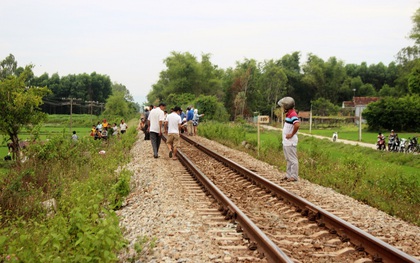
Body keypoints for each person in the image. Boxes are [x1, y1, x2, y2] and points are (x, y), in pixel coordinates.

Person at [278, 96, 300, 182]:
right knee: (288, 159)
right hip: (286, 142)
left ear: (287, 106)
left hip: (290, 142)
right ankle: (288, 175)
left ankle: (294, 176)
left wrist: (291, 134)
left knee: (293, 159)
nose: (282, 108)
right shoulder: (289, 114)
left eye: (283, 106)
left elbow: (297, 125)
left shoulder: (293, 114)